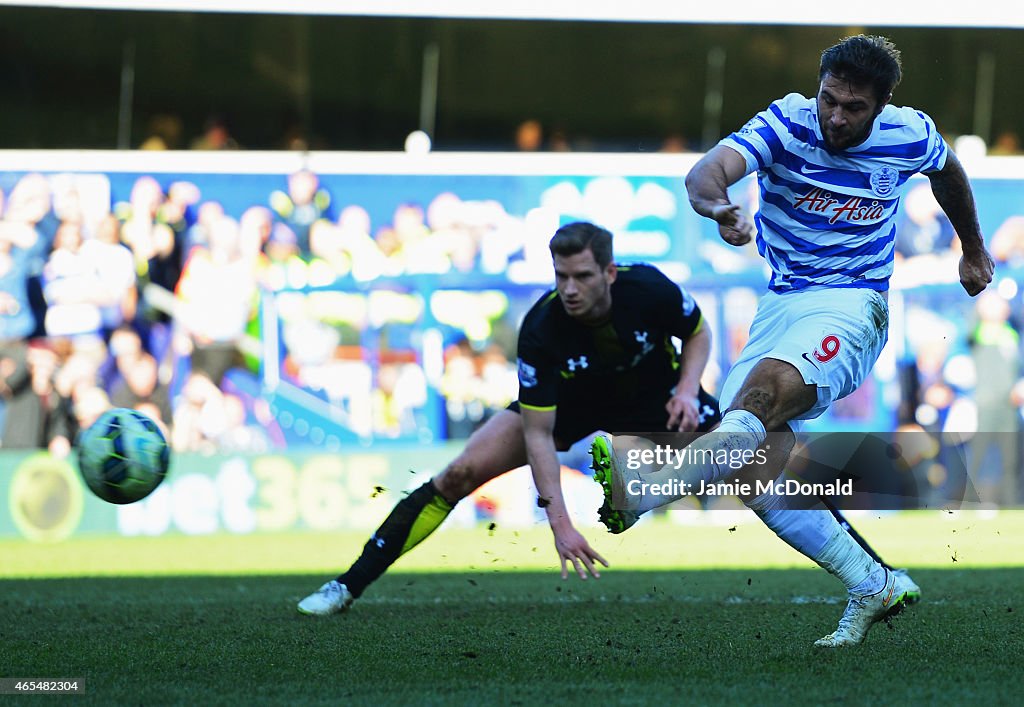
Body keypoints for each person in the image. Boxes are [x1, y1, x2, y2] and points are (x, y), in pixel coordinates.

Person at [592, 35, 994, 648]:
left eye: (853, 107)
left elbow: (949, 173)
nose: (835, 116)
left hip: (855, 304)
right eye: (828, 99)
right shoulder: (786, 122)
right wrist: (718, 206)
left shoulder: (909, 134)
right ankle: (872, 582)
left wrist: (973, 247)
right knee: (753, 469)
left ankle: (644, 492)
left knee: (757, 399)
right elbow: (706, 172)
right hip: (779, 310)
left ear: (881, 106)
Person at [296, 221, 900, 616]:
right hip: (570, 409)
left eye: (582, 276)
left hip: (657, 399)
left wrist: (689, 389)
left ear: (609, 273)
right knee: (457, 475)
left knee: (760, 462)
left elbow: (698, 332)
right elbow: (537, 434)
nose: (570, 289)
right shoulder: (541, 330)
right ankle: (345, 586)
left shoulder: (650, 290)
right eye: (560, 277)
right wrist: (560, 522)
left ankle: (876, 576)